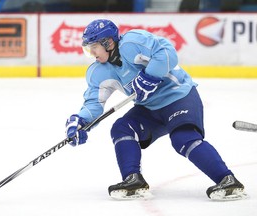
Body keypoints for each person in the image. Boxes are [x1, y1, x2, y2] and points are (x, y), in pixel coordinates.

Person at [65, 19, 247, 200]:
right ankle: (133, 179)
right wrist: (81, 121)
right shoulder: (99, 72)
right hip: (149, 108)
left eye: (94, 46)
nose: (91, 52)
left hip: (179, 96)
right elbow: (94, 103)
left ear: (108, 42)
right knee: (122, 127)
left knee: (182, 138)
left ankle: (227, 180)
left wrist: (149, 76)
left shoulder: (132, 43)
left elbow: (167, 53)